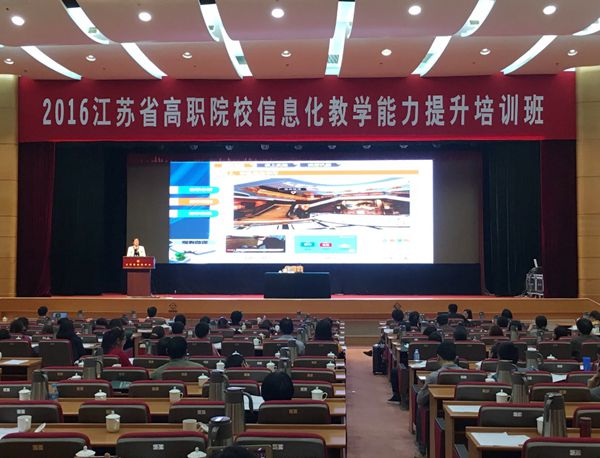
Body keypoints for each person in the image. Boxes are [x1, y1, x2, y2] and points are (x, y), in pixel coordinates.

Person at [415, 342, 463, 457]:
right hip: (463, 417)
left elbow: (420, 400)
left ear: (438, 357)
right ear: (456, 358)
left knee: (421, 408)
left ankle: (423, 450)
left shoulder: (433, 377)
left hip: (438, 414)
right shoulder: (469, 375)